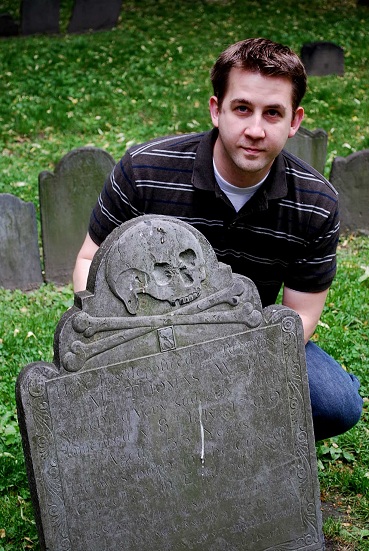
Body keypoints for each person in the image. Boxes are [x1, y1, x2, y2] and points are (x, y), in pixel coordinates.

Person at [73, 37, 362, 441]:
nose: (255, 129)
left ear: (294, 121)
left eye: (273, 113)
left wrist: (222, 368)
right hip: (142, 334)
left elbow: (301, 316)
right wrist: (133, 345)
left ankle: (232, 433)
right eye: (242, 108)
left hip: (248, 335)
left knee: (337, 404)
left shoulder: (315, 203)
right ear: (216, 110)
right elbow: (90, 262)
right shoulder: (145, 171)